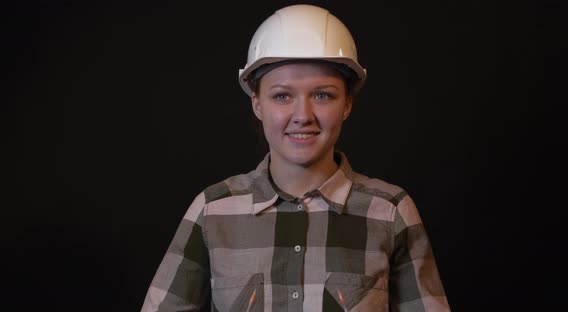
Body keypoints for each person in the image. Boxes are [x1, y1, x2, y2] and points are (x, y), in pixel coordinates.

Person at [141, 4, 449, 311]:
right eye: (282, 96)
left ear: (347, 105)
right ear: (257, 104)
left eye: (322, 95)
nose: (303, 116)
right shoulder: (212, 211)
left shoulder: (391, 212)